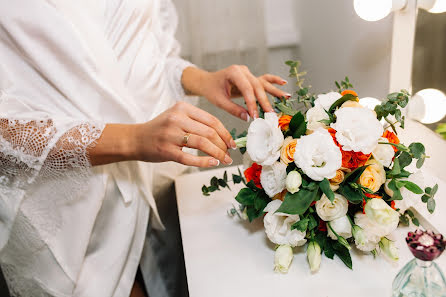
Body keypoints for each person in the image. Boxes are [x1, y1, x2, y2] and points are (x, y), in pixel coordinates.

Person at [0, 0, 289, 296]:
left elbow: (149, 53)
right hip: (70, 213)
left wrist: (204, 80)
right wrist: (134, 139)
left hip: (161, 178)